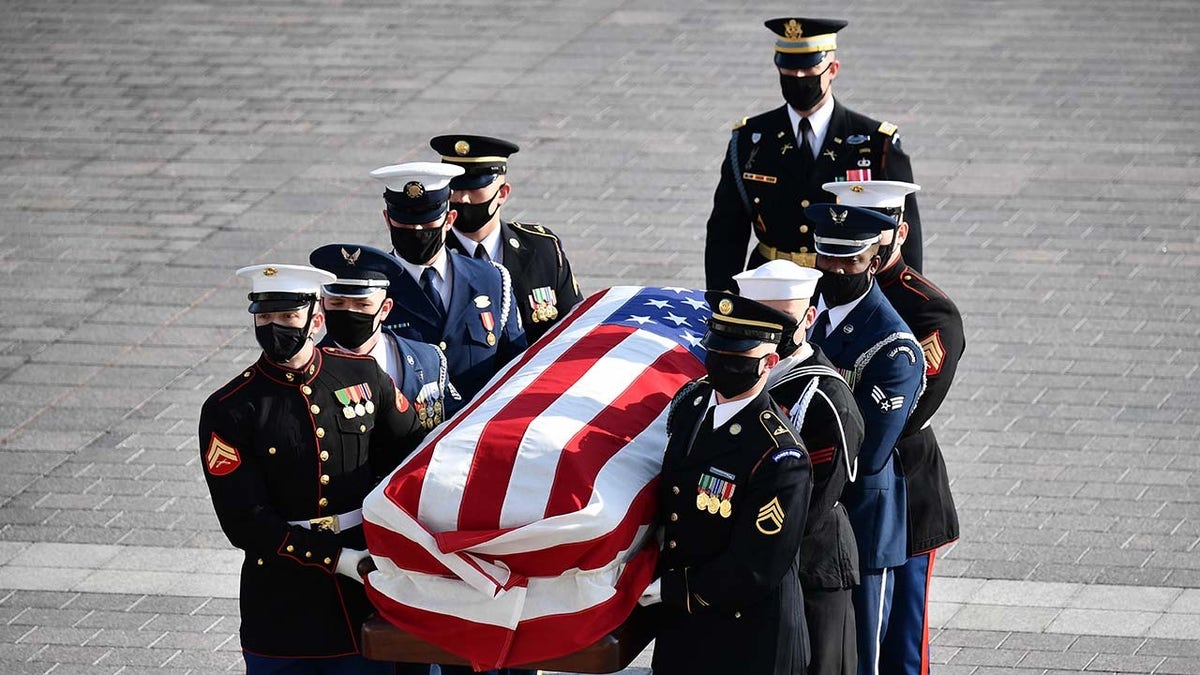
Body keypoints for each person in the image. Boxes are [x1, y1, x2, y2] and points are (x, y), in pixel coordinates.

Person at [199, 263, 426, 674]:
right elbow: (245, 522)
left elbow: (414, 454)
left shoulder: (361, 374)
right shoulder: (231, 408)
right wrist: (339, 559)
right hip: (284, 600)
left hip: (366, 590)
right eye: (265, 317)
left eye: (288, 316)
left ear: (316, 318)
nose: (275, 327)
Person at [823, 181, 962, 675]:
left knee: (900, 643)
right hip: (831, 487)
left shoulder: (927, 309)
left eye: (875, 232)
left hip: (901, 485)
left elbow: (909, 412)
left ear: (897, 232)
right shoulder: (822, 290)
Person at [654, 291, 813, 675]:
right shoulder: (693, 406)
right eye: (717, 352)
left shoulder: (779, 455)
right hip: (685, 628)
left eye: (737, 358)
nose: (721, 364)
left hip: (749, 638)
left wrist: (672, 589)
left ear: (769, 363)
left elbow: (756, 567)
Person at [705, 16, 923, 294]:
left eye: (808, 71)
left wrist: (908, 300)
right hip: (769, 284)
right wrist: (722, 298)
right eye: (788, 71)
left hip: (846, 286)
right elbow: (726, 231)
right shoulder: (751, 138)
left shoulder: (875, 140)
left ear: (832, 69)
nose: (797, 79)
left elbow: (906, 233)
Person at [803, 205, 925, 675]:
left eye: (848, 260)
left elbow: (868, 453)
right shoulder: (807, 310)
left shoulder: (893, 345)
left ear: (874, 261)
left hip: (860, 520)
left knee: (861, 658)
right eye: (826, 257)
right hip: (809, 514)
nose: (833, 269)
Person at [734, 261, 865, 675]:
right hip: (753, 571)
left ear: (809, 318)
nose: (769, 332)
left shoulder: (827, 400)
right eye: (757, 319)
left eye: (781, 320)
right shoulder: (736, 380)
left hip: (810, 572)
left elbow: (812, 505)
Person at [370, 161, 527, 402]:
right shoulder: (371, 292)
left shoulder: (491, 279)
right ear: (387, 219)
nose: (417, 230)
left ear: (450, 219)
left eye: (428, 222)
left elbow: (515, 367)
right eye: (406, 223)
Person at [431, 133, 583, 343]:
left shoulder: (541, 248)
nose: (462, 198)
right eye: (454, 188)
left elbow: (574, 324)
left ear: (502, 193)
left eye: (475, 189)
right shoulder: (434, 255)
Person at [310, 243, 462, 429]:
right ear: (322, 305)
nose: (349, 311)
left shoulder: (429, 359)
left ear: (385, 309)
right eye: (337, 303)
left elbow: (455, 424)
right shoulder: (308, 373)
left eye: (362, 305)